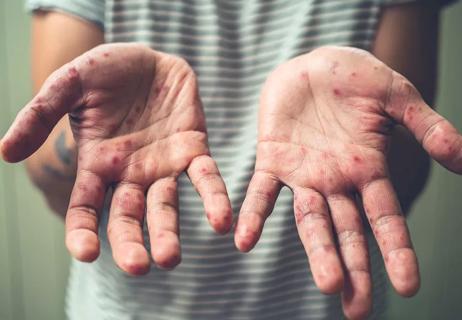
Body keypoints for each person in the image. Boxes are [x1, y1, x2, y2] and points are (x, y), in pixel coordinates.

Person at [2, 0, 460, 319]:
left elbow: (400, 176)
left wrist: (362, 133)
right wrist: (91, 140)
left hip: (327, 306)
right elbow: (51, 167)